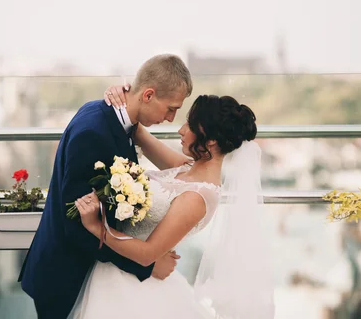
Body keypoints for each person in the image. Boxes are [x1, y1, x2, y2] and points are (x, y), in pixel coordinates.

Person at [69, 87, 275, 318]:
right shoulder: (186, 168)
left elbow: (147, 254)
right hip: (116, 273)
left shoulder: (198, 197)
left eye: (190, 125)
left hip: (134, 285)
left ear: (212, 141)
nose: (181, 130)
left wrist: (97, 227)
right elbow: (138, 132)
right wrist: (121, 93)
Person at [18, 54, 193, 318]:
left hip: (92, 270)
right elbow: (76, 224)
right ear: (148, 95)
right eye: (171, 108)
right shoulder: (93, 133)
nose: (171, 118)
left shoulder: (111, 117)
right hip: (66, 275)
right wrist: (147, 265)